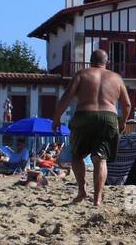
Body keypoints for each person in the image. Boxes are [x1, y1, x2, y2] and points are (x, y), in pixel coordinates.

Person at [51, 48, 131, 206]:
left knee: (77, 156)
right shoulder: (116, 78)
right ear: (106, 62)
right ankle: (98, 199)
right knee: (100, 159)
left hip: (83, 116)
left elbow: (66, 98)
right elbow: (127, 105)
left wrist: (56, 119)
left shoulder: (82, 74)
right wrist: (122, 122)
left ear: (90, 61)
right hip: (108, 118)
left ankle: (82, 190)